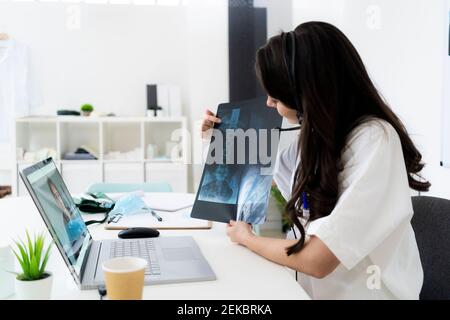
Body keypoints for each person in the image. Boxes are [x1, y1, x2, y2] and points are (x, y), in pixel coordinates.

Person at [200, 22, 429, 300]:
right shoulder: (313, 140)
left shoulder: (375, 141)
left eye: (276, 95)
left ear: (307, 94)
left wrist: (248, 239)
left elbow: (317, 260)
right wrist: (219, 140)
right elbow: (244, 186)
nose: (269, 104)